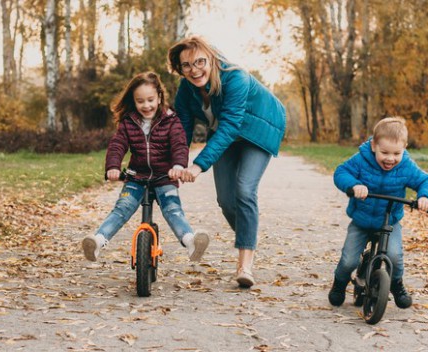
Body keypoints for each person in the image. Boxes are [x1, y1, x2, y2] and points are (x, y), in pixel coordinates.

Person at [167, 36, 286, 288]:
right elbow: (182, 128)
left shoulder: (236, 77)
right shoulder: (186, 89)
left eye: (200, 61)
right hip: (225, 134)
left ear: (211, 59)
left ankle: (245, 264)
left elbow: (231, 125)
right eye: (186, 65)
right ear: (180, 68)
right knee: (226, 200)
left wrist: (198, 165)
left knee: (244, 190)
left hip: (258, 130)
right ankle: (248, 236)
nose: (194, 69)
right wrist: (177, 162)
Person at [82, 72, 209, 263]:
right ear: (134, 101)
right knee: (122, 208)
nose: (146, 105)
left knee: (173, 209)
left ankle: (190, 242)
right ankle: (98, 242)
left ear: (159, 97)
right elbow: (118, 145)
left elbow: (179, 144)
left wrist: (177, 166)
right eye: (140, 101)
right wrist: (113, 167)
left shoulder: (171, 120)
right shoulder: (129, 122)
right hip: (136, 177)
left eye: (150, 99)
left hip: (165, 177)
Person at [329, 117, 428, 308]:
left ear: (404, 148)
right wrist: (354, 185)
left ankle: (396, 284)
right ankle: (339, 283)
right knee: (348, 260)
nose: (390, 158)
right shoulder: (362, 160)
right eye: (384, 152)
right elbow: (341, 172)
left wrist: (425, 197)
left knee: (394, 256)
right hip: (361, 221)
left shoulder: (406, 166)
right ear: (373, 146)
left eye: (397, 153)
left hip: (389, 221)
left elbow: (425, 180)